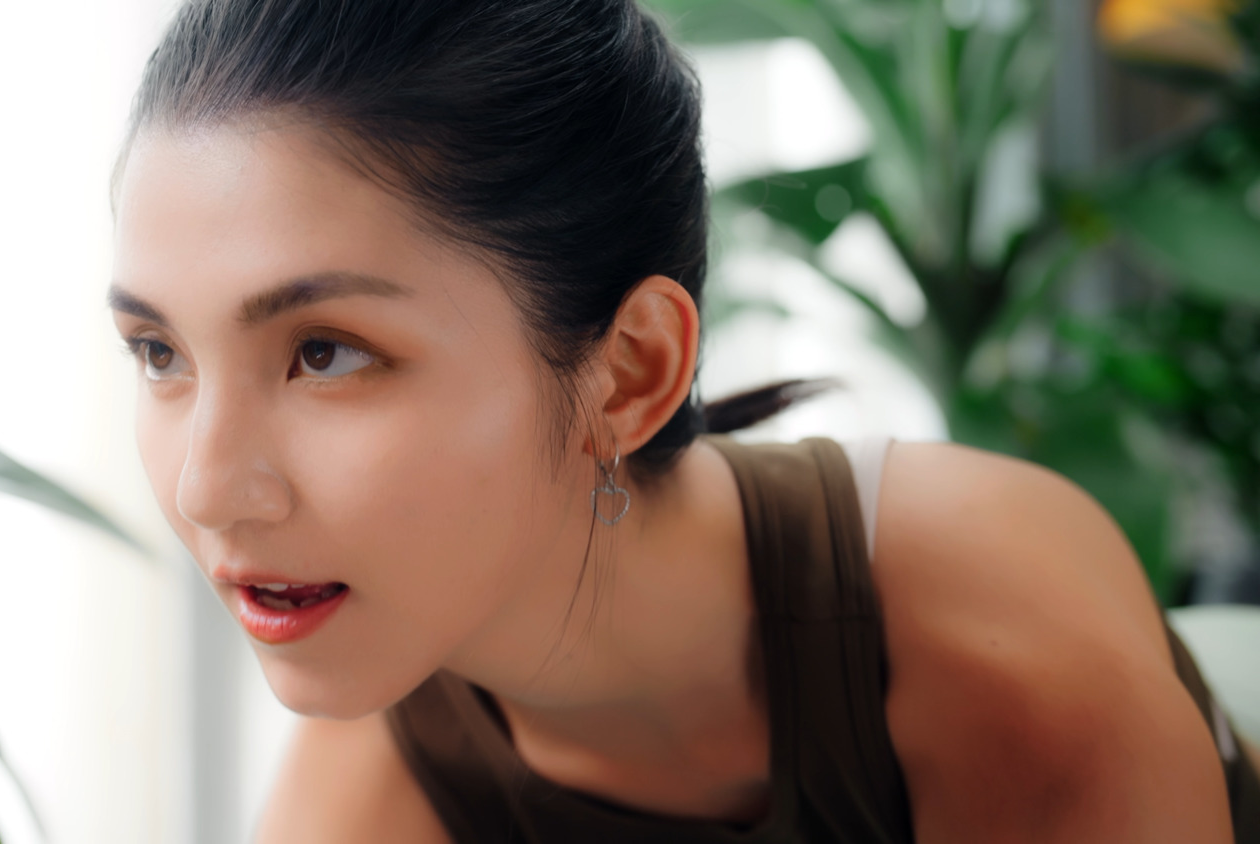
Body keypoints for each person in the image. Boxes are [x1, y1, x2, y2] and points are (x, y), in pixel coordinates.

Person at [105, 0, 1260, 840]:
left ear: (628, 373)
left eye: (326, 353)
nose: (207, 488)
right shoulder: (374, 788)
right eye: (160, 353)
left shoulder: (996, 657)